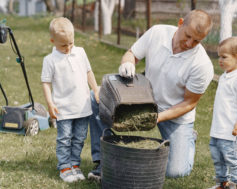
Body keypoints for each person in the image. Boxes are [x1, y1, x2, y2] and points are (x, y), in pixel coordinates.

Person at [88, 9, 214, 181]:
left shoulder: (202, 65)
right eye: (187, 35)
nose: (189, 43)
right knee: (97, 97)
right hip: (145, 100)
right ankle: (103, 159)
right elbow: (131, 54)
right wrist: (127, 63)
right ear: (180, 23)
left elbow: (189, 103)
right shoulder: (158, 33)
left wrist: (157, 118)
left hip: (174, 115)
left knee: (175, 172)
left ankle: (188, 138)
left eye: (196, 41)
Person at [41, 17, 99, 183]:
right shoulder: (49, 60)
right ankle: (65, 166)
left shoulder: (80, 52)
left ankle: (75, 164)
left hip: (82, 107)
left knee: (79, 138)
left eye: (70, 44)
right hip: (63, 108)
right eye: (63, 45)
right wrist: (50, 104)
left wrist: (95, 89)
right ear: (53, 41)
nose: (68, 48)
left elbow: (88, 71)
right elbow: (45, 83)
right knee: (65, 139)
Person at [209, 37, 237, 189]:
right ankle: (223, 182)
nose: (219, 60)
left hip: (231, 133)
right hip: (218, 130)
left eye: (224, 57)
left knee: (231, 159)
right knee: (217, 158)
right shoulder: (225, 77)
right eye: (219, 56)